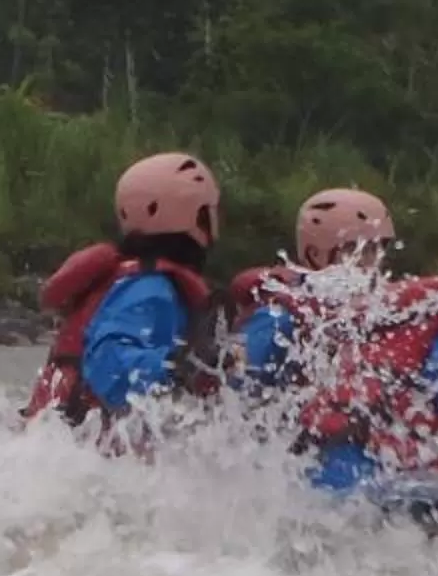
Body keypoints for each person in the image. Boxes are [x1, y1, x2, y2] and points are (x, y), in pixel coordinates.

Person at [24, 153, 225, 433]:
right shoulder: (150, 288)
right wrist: (179, 368)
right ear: (195, 216)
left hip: (68, 439)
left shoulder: (141, 281)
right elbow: (109, 361)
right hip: (84, 440)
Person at [230, 186, 399, 392]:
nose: (372, 263)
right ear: (315, 254)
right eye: (357, 250)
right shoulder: (277, 318)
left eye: (377, 249)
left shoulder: (378, 316)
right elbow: (236, 391)